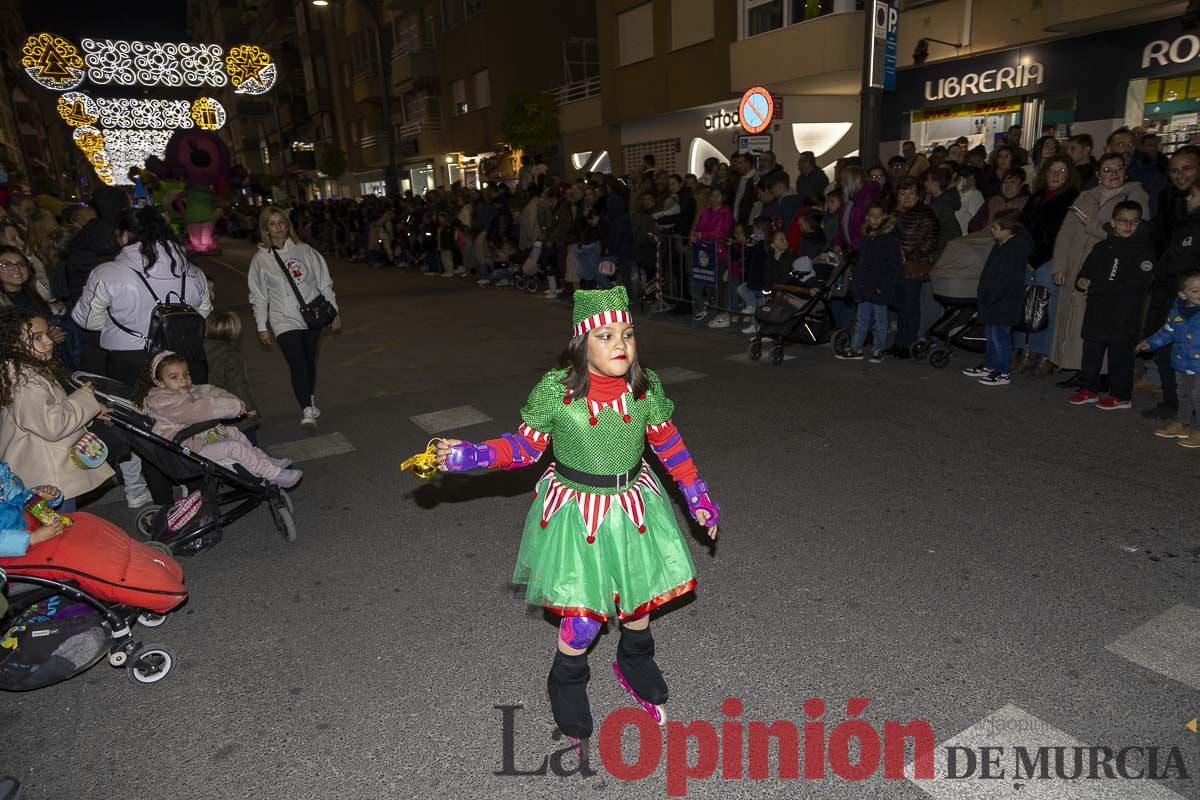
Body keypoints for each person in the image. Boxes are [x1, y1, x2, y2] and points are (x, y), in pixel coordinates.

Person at [433, 286, 718, 748]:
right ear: (581, 343)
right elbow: (524, 447)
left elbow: (667, 442)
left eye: (627, 333)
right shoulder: (559, 391)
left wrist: (695, 490)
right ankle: (565, 681)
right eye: (605, 335)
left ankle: (634, 660)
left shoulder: (643, 389)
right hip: (577, 511)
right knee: (582, 617)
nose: (620, 344)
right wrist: (475, 455)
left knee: (639, 596)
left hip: (634, 504)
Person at [1049, 152, 1151, 383]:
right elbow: (1066, 233)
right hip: (1077, 264)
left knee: (1097, 322)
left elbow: (1132, 234)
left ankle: (1097, 374)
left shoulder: (1136, 196)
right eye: (1107, 169)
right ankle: (1077, 367)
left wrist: (1092, 225)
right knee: (1073, 319)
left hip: (1109, 269)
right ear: (1098, 174)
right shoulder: (1086, 196)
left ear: (1125, 172)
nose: (1113, 174)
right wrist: (1059, 265)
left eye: (1118, 169)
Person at [0, 309, 113, 511]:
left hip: (44, 470)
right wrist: (85, 397)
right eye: (37, 337)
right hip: (49, 477)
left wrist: (90, 412)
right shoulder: (26, 382)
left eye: (47, 334)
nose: (49, 341)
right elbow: (51, 425)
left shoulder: (24, 371)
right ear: (14, 343)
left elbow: (47, 413)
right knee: (60, 529)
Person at [137, 351, 300, 487]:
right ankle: (274, 474)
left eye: (186, 374)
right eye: (174, 377)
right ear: (159, 382)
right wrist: (232, 408)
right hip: (185, 450)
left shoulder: (179, 390)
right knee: (234, 447)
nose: (183, 380)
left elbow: (209, 391)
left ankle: (264, 461)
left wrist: (235, 401)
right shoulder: (164, 401)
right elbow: (197, 411)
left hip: (196, 440)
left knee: (234, 432)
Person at [248, 205, 341, 430]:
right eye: (273, 223)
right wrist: (261, 325)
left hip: (312, 314)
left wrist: (334, 311)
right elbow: (258, 296)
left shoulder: (305, 250)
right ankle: (306, 410)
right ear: (265, 229)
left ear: (288, 225)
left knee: (309, 362)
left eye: (282, 222)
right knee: (297, 363)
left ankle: (308, 398)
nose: (279, 227)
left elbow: (324, 283)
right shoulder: (261, 260)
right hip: (283, 318)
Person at [1065, 201, 1155, 410]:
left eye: (1134, 221)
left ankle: (1120, 394)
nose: (1128, 225)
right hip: (1097, 309)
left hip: (1124, 312)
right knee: (1091, 352)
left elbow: (1141, 280)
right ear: (1113, 222)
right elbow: (1086, 271)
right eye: (1123, 221)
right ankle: (1088, 388)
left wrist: (1102, 287)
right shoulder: (1101, 247)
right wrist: (1083, 281)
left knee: (1120, 355)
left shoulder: (1144, 250)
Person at [1015, 155, 1079, 376]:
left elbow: (1060, 235)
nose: (1055, 175)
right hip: (1028, 256)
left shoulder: (1072, 199)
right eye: (1052, 171)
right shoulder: (1037, 196)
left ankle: (1045, 355)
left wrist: (1035, 259)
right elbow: (1022, 225)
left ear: (1069, 175)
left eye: (1061, 171)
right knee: (1026, 306)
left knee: (1045, 309)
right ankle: (1026, 351)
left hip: (1050, 259)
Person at [962, 209, 1033, 386]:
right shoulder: (1002, 243)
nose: (991, 230)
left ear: (1008, 229)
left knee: (1000, 337)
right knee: (991, 335)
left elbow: (1006, 279)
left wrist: (991, 297)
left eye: (995, 227)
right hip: (993, 299)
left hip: (1003, 301)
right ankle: (989, 365)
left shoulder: (1015, 248)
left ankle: (1003, 372)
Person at [1138, 272, 1200, 446]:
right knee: (1183, 395)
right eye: (1195, 291)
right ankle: (1183, 424)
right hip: (1181, 362)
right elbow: (1167, 332)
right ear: (1183, 294)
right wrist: (1150, 344)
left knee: (1198, 397)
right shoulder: (1177, 311)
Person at [837, 201, 900, 362]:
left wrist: (883, 286)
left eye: (878, 216)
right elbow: (862, 263)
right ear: (867, 217)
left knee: (880, 320)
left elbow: (893, 266)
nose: (874, 219)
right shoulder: (866, 236)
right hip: (865, 286)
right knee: (862, 319)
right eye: (872, 216)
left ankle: (878, 349)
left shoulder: (889, 238)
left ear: (884, 217)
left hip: (879, 286)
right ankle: (856, 348)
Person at [893, 177, 939, 357]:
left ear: (918, 195)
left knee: (910, 305)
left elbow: (932, 239)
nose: (906, 197)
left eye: (911, 193)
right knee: (900, 304)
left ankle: (908, 343)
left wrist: (914, 254)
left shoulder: (925, 213)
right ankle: (899, 342)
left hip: (912, 265)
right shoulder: (894, 213)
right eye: (903, 193)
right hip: (894, 265)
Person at [204, 310, 259, 444]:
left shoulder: (200, 348)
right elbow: (238, 384)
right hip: (231, 406)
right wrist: (250, 408)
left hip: (208, 405)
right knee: (248, 443)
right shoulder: (231, 354)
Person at [969, 168, 1029, 232]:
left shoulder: (1027, 202)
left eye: (1013, 182)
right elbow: (976, 222)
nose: (1008, 185)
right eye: (1005, 182)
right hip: (987, 235)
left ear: (1021, 185)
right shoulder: (993, 200)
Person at [924, 166, 962, 254]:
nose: (925, 183)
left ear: (936, 184)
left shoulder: (943, 206)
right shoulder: (937, 202)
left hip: (939, 253)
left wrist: (931, 244)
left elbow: (954, 233)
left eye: (928, 181)